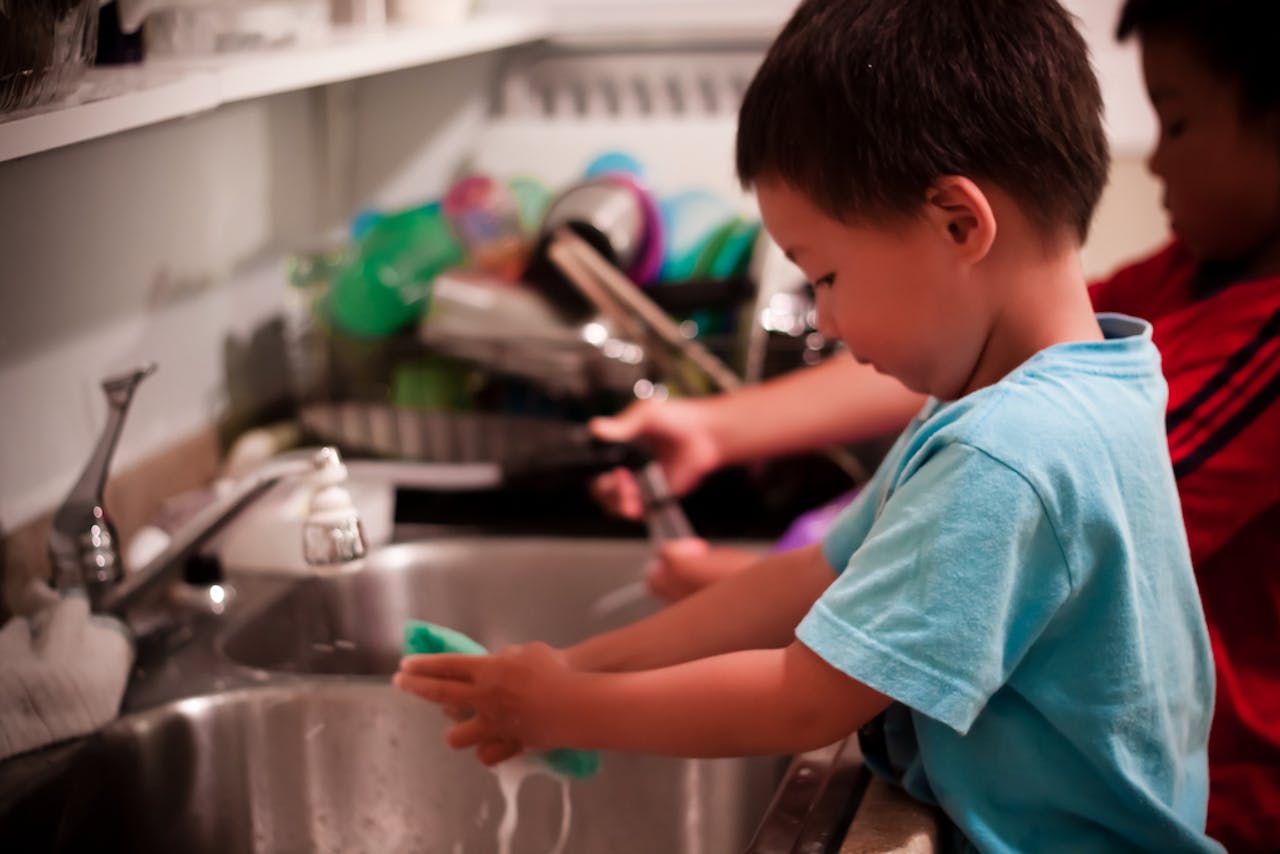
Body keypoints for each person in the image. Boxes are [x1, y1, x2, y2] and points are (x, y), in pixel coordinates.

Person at [395, 0, 1222, 849]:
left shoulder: (1006, 453)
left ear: (959, 223)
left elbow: (804, 697)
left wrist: (568, 708)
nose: (824, 318)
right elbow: (805, 578)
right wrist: (576, 665)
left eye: (826, 275)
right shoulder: (1073, 388)